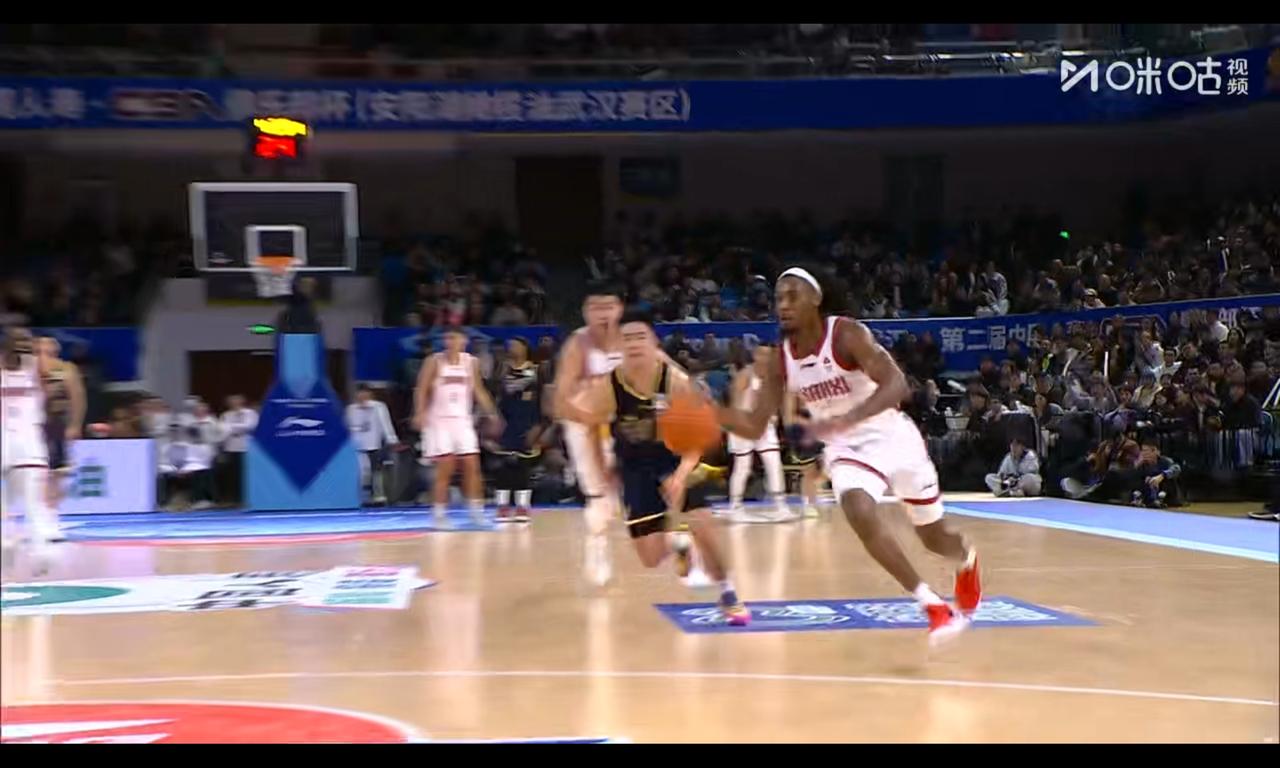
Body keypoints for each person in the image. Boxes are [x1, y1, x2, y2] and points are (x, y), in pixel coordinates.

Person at [713, 267, 979, 646]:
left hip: (893, 436)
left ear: (816, 299)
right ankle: (933, 606)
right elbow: (755, 425)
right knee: (857, 507)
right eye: (778, 298)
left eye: (792, 296)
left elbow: (897, 384)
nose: (783, 305)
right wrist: (710, 412)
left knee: (934, 539)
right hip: (846, 449)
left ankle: (967, 559)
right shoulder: (780, 361)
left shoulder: (846, 334)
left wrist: (850, 417)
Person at [562, 307, 750, 626]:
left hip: (676, 459)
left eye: (641, 336)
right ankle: (678, 542)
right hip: (635, 467)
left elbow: (699, 437)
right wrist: (602, 468)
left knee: (703, 524)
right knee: (650, 558)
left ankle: (728, 592)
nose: (634, 343)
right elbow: (591, 426)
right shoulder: (609, 386)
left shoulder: (674, 380)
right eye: (627, 338)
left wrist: (680, 475)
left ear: (654, 343)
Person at [552, 280, 626, 586]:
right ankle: (597, 548)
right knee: (598, 494)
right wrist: (591, 418)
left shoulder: (632, 339)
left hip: (623, 423)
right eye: (596, 308)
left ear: (619, 309)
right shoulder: (577, 345)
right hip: (584, 425)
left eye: (608, 307)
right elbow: (560, 402)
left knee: (622, 494)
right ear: (585, 312)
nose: (603, 314)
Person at [413, 326, 502, 526]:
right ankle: (439, 515)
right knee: (446, 467)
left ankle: (476, 513)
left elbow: (479, 390)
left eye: (454, 337)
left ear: (464, 340)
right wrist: (419, 412)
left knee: (472, 465)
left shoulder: (471, 362)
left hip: (462, 421)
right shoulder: (434, 361)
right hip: (439, 421)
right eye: (447, 338)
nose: (450, 341)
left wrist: (492, 413)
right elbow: (421, 389)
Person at [1, 327, 59, 573]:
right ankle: (10, 543)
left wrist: (31, 350)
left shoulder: (36, 369)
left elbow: (54, 371)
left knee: (31, 503)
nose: (22, 346)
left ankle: (35, 551)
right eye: (18, 341)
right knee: (17, 504)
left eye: (25, 342)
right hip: (13, 445)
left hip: (26, 446)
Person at [724, 344, 793, 523]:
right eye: (761, 354)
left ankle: (780, 506)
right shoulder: (745, 375)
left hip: (764, 425)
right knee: (743, 466)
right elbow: (735, 403)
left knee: (774, 463)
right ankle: (735, 507)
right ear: (755, 355)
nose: (765, 358)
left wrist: (776, 416)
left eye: (768, 355)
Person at [491, 337, 545, 523]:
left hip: (529, 421)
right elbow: (494, 396)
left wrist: (540, 426)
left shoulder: (538, 369)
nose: (512, 347)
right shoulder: (502, 369)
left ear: (525, 347)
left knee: (523, 465)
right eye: (510, 344)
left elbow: (545, 397)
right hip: (507, 422)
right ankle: (502, 506)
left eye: (516, 344)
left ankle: (523, 506)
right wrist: (493, 420)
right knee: (504, 465)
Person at [35, 336, 84, 530]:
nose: (43, 355)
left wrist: (75, 425)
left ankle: (52, 514)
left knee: (57, 474)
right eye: (38, 351)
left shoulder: (67, 370)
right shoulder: (28, 370)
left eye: (47, 351)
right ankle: (41, 514)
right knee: (36, 474)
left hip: (58, 426)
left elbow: (78, 399)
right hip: (34, 426)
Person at [346, 384, 399, 506]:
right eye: (360, 393)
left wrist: (392, 439)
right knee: (362, 472)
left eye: (365, 393)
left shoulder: (379, 407)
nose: (362, 396)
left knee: (376, 471)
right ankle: (362, 497)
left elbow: (386, 424)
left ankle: (378, 496)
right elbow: (347, 427)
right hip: (357, 447)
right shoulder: (351, 409)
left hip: (374, 444)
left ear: (370, 394)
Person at [218, 394, 257, 507]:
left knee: (246, 474)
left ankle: (248, 499)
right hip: (230, 447)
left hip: (246, 447)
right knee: (233, 475)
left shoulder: (250, 413)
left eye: (236, 401)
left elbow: (250, 426)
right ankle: (235, 499)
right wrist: (237, 428)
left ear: (242, 402)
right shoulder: (225, 415)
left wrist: (231, 428)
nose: (233, 403)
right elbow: (222, 429)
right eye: (231, 402)